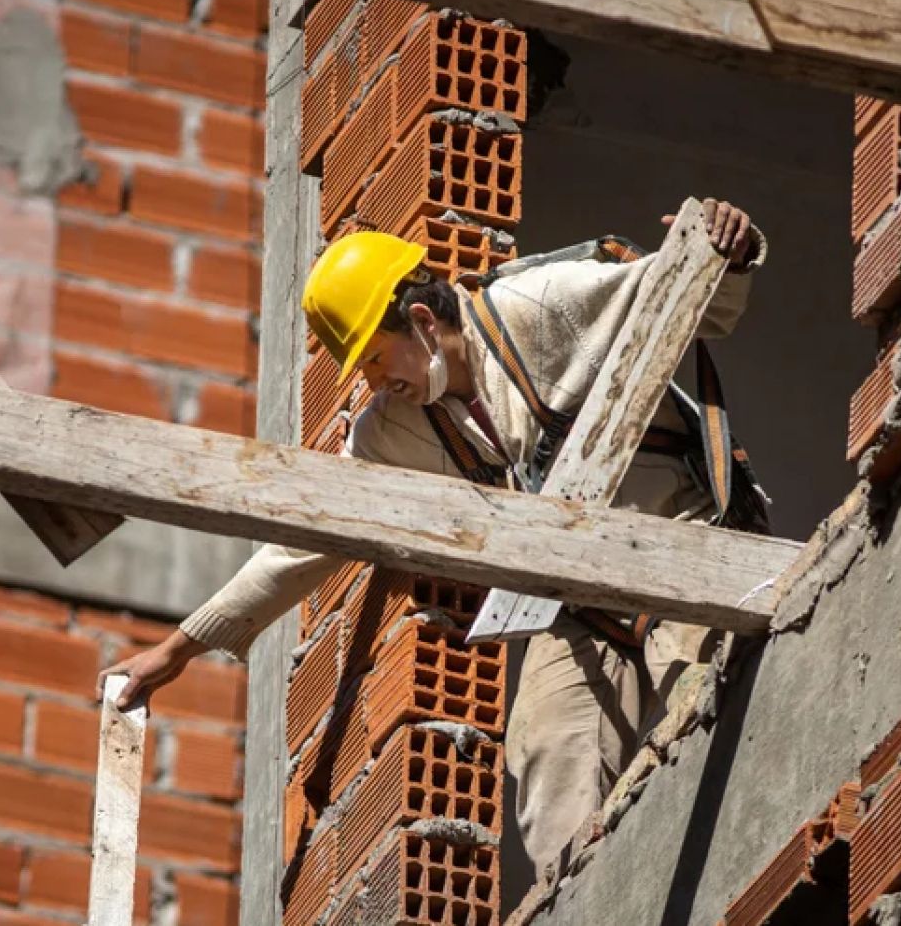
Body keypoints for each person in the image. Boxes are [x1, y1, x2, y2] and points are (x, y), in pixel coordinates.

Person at [101, 199, 769, 874]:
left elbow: (699, 302)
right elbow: (305, 542)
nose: (373, 383)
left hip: (682, 551)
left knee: (703, 703)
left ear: (421, 321)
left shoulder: (540, 307)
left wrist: (729, 247)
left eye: (373, 358)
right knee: (548, 755)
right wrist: (178, 650)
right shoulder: (393, 430)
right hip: (585, 612)